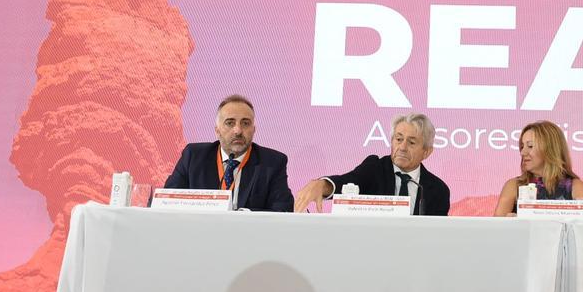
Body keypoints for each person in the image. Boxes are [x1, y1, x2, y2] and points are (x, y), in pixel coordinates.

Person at [292, 113, 450, 216]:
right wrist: (323, 185)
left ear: (427, 152)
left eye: (412, 142)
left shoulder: (437, 190)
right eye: (399, 139)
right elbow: (346, 182)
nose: (402, 147)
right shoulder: (374, 169)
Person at [163, 94, 293, 212]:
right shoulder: (193, 157)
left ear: (254, 130)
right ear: (217, 130)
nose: (238, 130)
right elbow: (166, 202)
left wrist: (241, 217)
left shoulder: (272, 163)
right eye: (230, 123)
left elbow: (283, 211)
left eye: (245, 123)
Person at [493, 120, 583, 216]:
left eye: (530, 146)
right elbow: (495, 228)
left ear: (550, 149)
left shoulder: (574, 186)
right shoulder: (513, 186)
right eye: (522, 146)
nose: (522, 152)